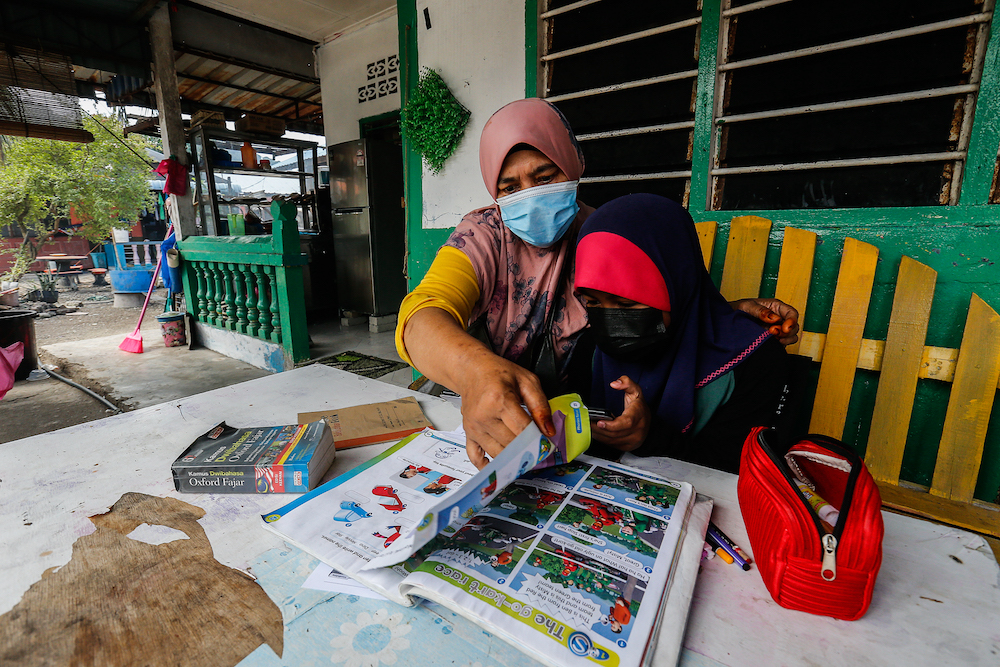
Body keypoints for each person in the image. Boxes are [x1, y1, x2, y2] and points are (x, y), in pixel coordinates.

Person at [396, 98, 798, 469]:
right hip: (490, 413)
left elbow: (661, 294)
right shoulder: (484, 235)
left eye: (544, 175)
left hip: (572, 421)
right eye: (509, 188)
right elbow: (423, 315)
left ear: (571, 166)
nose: (531, 196)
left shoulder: (606, 233)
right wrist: (475, 372)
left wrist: (722, 315)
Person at [575, 194, 792, 473]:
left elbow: (742, 471)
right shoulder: (590, 348)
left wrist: (649, 435)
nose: (611, 320)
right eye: (592, 302)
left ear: (677, 282)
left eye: (626, 304)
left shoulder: (753, 360)